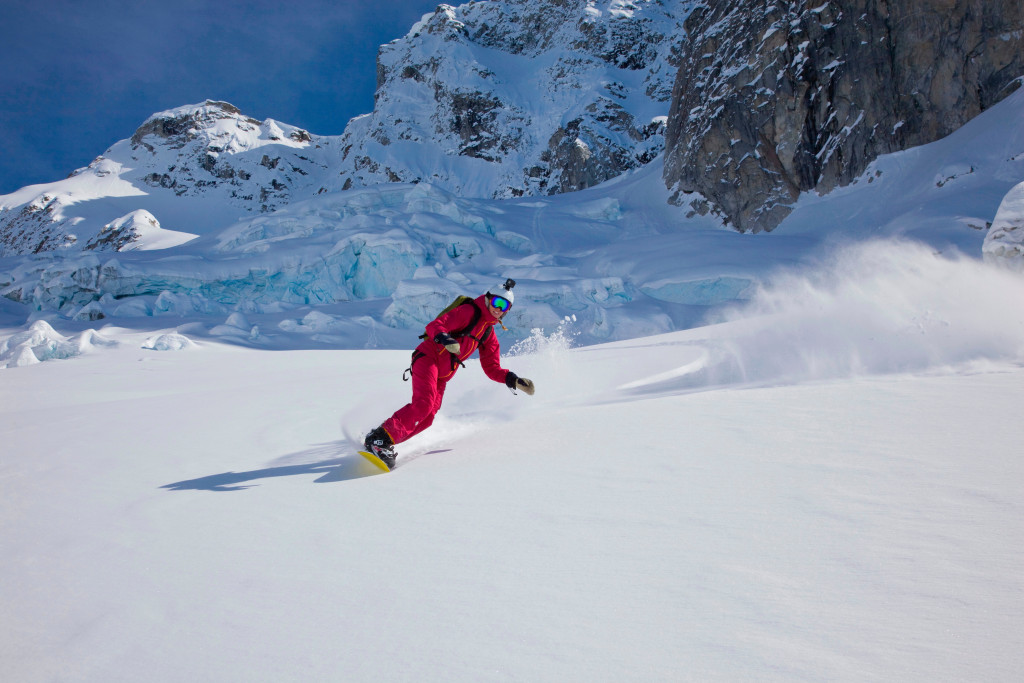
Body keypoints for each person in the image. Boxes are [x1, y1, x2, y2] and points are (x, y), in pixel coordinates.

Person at [364, 279, 535, 468]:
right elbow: (436, 325)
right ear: (487, 299)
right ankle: (380, 439)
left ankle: (383, 441)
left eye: (505, 306)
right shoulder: (469, 311)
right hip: (428, 358)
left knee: (428, 418)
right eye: (496, 302)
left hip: (443, 376)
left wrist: (512, 379)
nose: (499, 308)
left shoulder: (488, 333)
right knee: (423, 404)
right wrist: (445, 338)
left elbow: (492, 367)